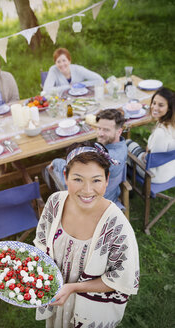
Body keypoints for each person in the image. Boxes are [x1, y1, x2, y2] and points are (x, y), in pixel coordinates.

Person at [34, 141, 140, 327]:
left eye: (96, 180)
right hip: (56, 296)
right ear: (65, 176)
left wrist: (73, 288)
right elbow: (42, 243)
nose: (87, 190)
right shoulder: (55, 203)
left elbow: (122, 278)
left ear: (107, 180)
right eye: (78, 179)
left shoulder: (116, 226)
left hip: (91, 308)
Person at [43, 109, 127, 203]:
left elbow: (74, 171)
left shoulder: (104, 157)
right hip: (110, 193)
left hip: (92, 200)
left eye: (106, 130)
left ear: (119, 131)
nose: (100, 133)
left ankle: (57, 202)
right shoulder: (122, 145)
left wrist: (56, 162)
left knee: (48, 169)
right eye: (99, 128)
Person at [127, 87, 175, 183]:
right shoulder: (171, 124)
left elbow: (152, 161)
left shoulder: (161, 133)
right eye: (154, 103)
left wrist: (146, 155)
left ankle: (125, 182)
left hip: (154, 175)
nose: (155, 107)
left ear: (169, 108)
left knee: (125, 145)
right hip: (171, 169)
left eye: (160, 105)